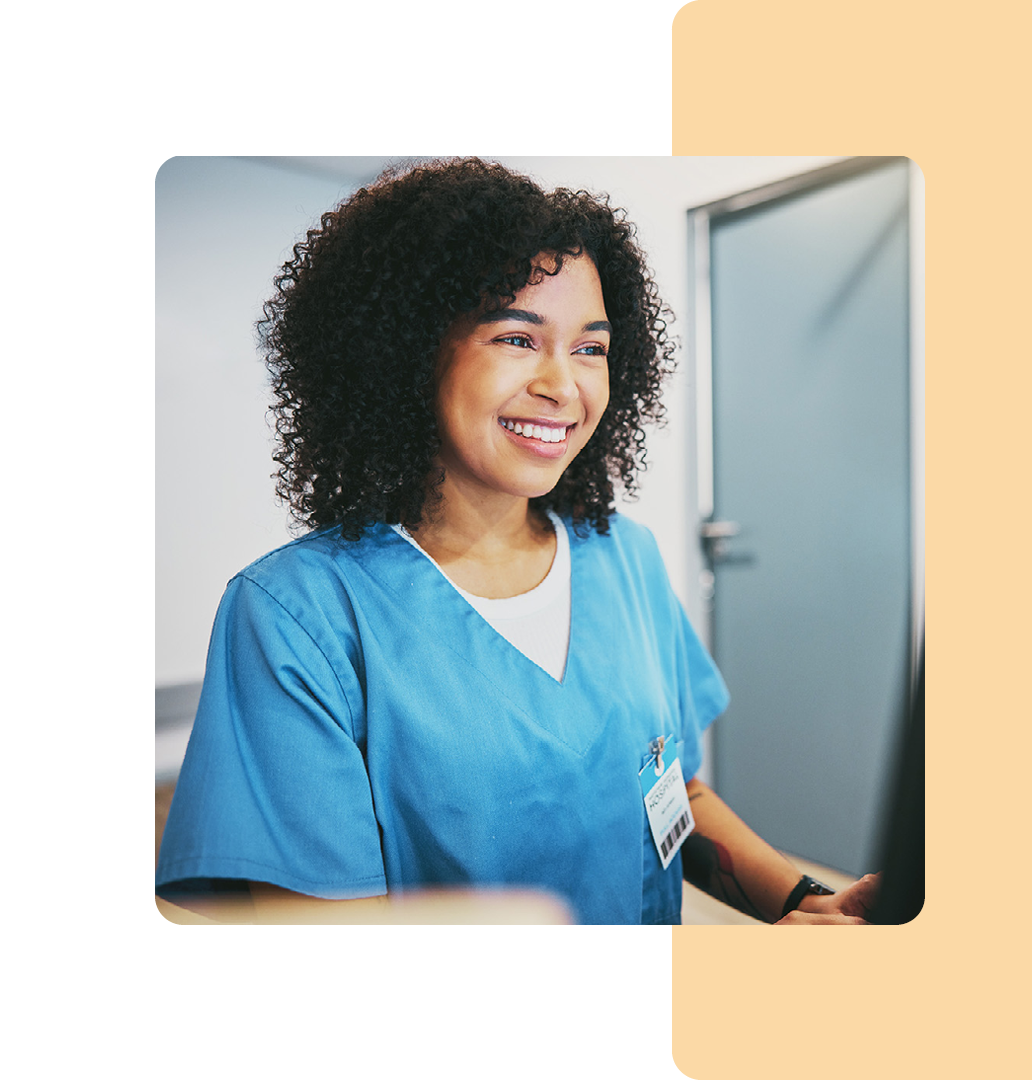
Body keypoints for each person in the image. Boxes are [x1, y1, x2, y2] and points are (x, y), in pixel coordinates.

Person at [156, 157, 878, 924]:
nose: (564, 386)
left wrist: (806, 905)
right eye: (516, 338)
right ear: (408, 352)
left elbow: (669, 792)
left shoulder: (623, 557)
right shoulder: (296, 617)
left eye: (591, 347)